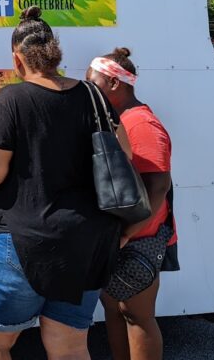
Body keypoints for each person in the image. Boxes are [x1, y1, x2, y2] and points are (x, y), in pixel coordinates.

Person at [0, 6, 126, 360]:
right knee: (70, 347)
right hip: (85, 245)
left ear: (17, 59)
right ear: (55, 53)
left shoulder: (11, 100)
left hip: (21, 241)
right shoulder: (93, 96)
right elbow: (124, 155)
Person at [86, 48, 178, 360]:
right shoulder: (119, 120)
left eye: (93, 83)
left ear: (114, 83)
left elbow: (159, 186)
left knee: (136, 315)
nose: (89, 91)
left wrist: (126, 234)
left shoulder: (141, 123)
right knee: (115, 311)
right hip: (119, 237)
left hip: (140, 239)